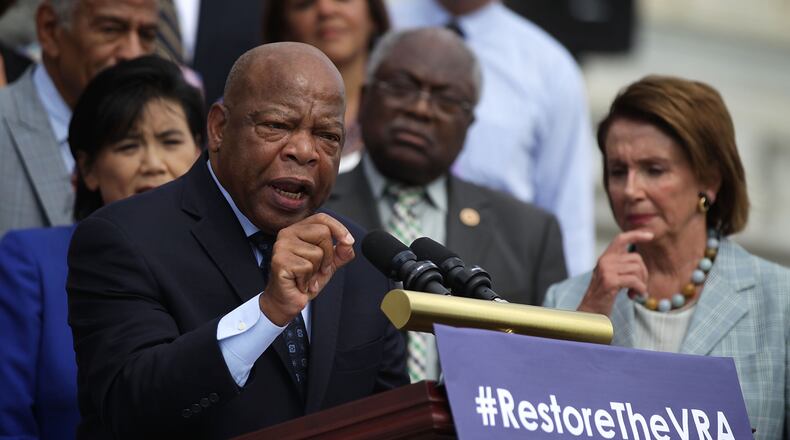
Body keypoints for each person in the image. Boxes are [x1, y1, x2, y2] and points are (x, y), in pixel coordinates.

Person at [66, 42, 407, 439]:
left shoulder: (359, 257)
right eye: (277, 126)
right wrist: (267, 314)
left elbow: (394, 419)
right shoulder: (124, 238)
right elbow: (130, 405)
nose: (303, 151)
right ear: (219, 128)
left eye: (327, 135)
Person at [543, 75, 789, 438]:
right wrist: (590, 316)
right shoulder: (566, 300)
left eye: (654, 170)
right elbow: (539, 422)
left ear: (709, 181)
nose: (630, 190)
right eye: (617, 171)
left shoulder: (780, 299)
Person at [324, 28, 567, 382]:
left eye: (447, 99)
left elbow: (548, 367)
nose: (421, 109)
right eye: (403, 87)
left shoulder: (530, 232)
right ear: (364, 96)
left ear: (469, 123)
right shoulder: (312, 209)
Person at [0, 55, 203, 439]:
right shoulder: (31, 262)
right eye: (128, 146)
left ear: (199, 152)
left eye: (170, 140)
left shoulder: (228, 256)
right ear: (88, 169)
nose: (153, 163)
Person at [387, 0, 595, 276]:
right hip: (379, 242)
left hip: (498, 272)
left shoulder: (550, 68)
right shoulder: (378, 21)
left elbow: (569, 215)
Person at [0, 0, 158, 236]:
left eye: (146, 34)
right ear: (50, 29)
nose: (133, 53)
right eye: (110, 29)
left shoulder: (171, 145)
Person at [261, 0, 390, 173]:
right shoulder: (249, 104)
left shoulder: (411, 106)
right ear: (283, 28)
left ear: (373, 16)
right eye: (305, 4)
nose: (326, 10)